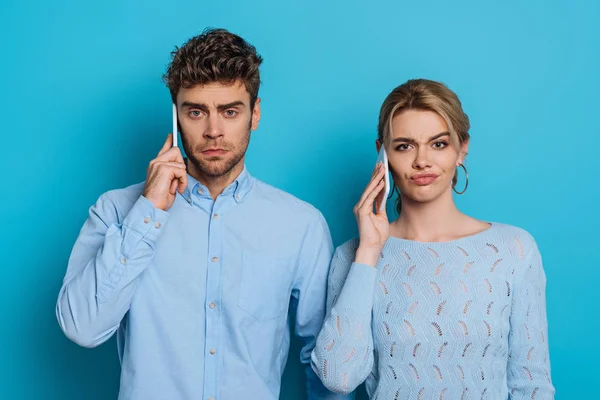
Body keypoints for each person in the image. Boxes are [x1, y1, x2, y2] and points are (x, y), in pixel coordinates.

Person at [56, 28, 349, 400]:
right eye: (196, 111)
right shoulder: (117, 210)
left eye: (230, 111)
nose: (213, 131)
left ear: (254, 114)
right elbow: (82, 328)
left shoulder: (301, 225)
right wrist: (148, 210)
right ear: (175, 115)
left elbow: (322, 363)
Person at [311, 79, 554, 399]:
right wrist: (369, 250)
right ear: (382, 155)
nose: (422, 160)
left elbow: (531, 385)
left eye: (438, 144)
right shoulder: (353, 256)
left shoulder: (512, 251)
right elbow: (339, 377)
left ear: (461, 148)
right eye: (404, 146)